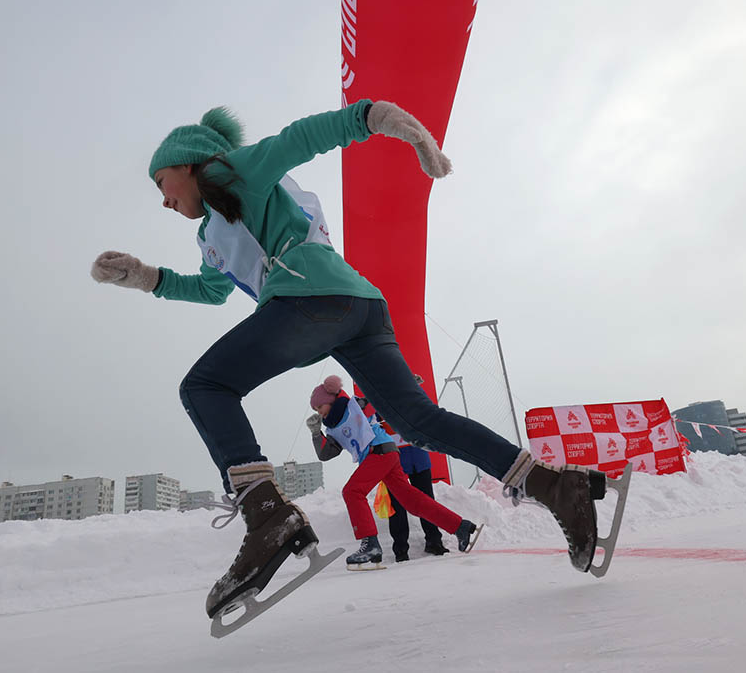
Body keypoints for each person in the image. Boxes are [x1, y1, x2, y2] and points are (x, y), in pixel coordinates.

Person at [90, 100, 611, 621]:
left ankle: (268, 514)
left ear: (188, 164)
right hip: (356, 309)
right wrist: (145, 276)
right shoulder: (210, 235)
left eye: (162, 182)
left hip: (312, 301)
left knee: (205, 387)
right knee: (419, 422)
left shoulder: (238, 170)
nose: (163, 199)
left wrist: (381, 120)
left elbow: (302, 137)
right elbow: (208, 290)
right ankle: (551, 484)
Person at [306, 375, 478, 569]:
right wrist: (315, 432)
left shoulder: (355, 406)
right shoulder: (332, 430)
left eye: (319, 408)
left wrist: (407, 382)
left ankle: (370, 545)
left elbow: (383, 398)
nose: (319, 414)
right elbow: (326, 454)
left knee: (352, 491)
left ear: (329, 401)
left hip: (380, 451)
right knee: (412, 502)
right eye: (316, 411)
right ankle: (460, 527)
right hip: (385, 455)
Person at [376, 374, 450, 561]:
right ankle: (400, 549)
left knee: (426, 500)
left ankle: (434, 541)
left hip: (418, 454)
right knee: (397, 506)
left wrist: (417, 389)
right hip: (394, 459)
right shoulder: (378, 397)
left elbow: (424, 408)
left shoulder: (410, 394)